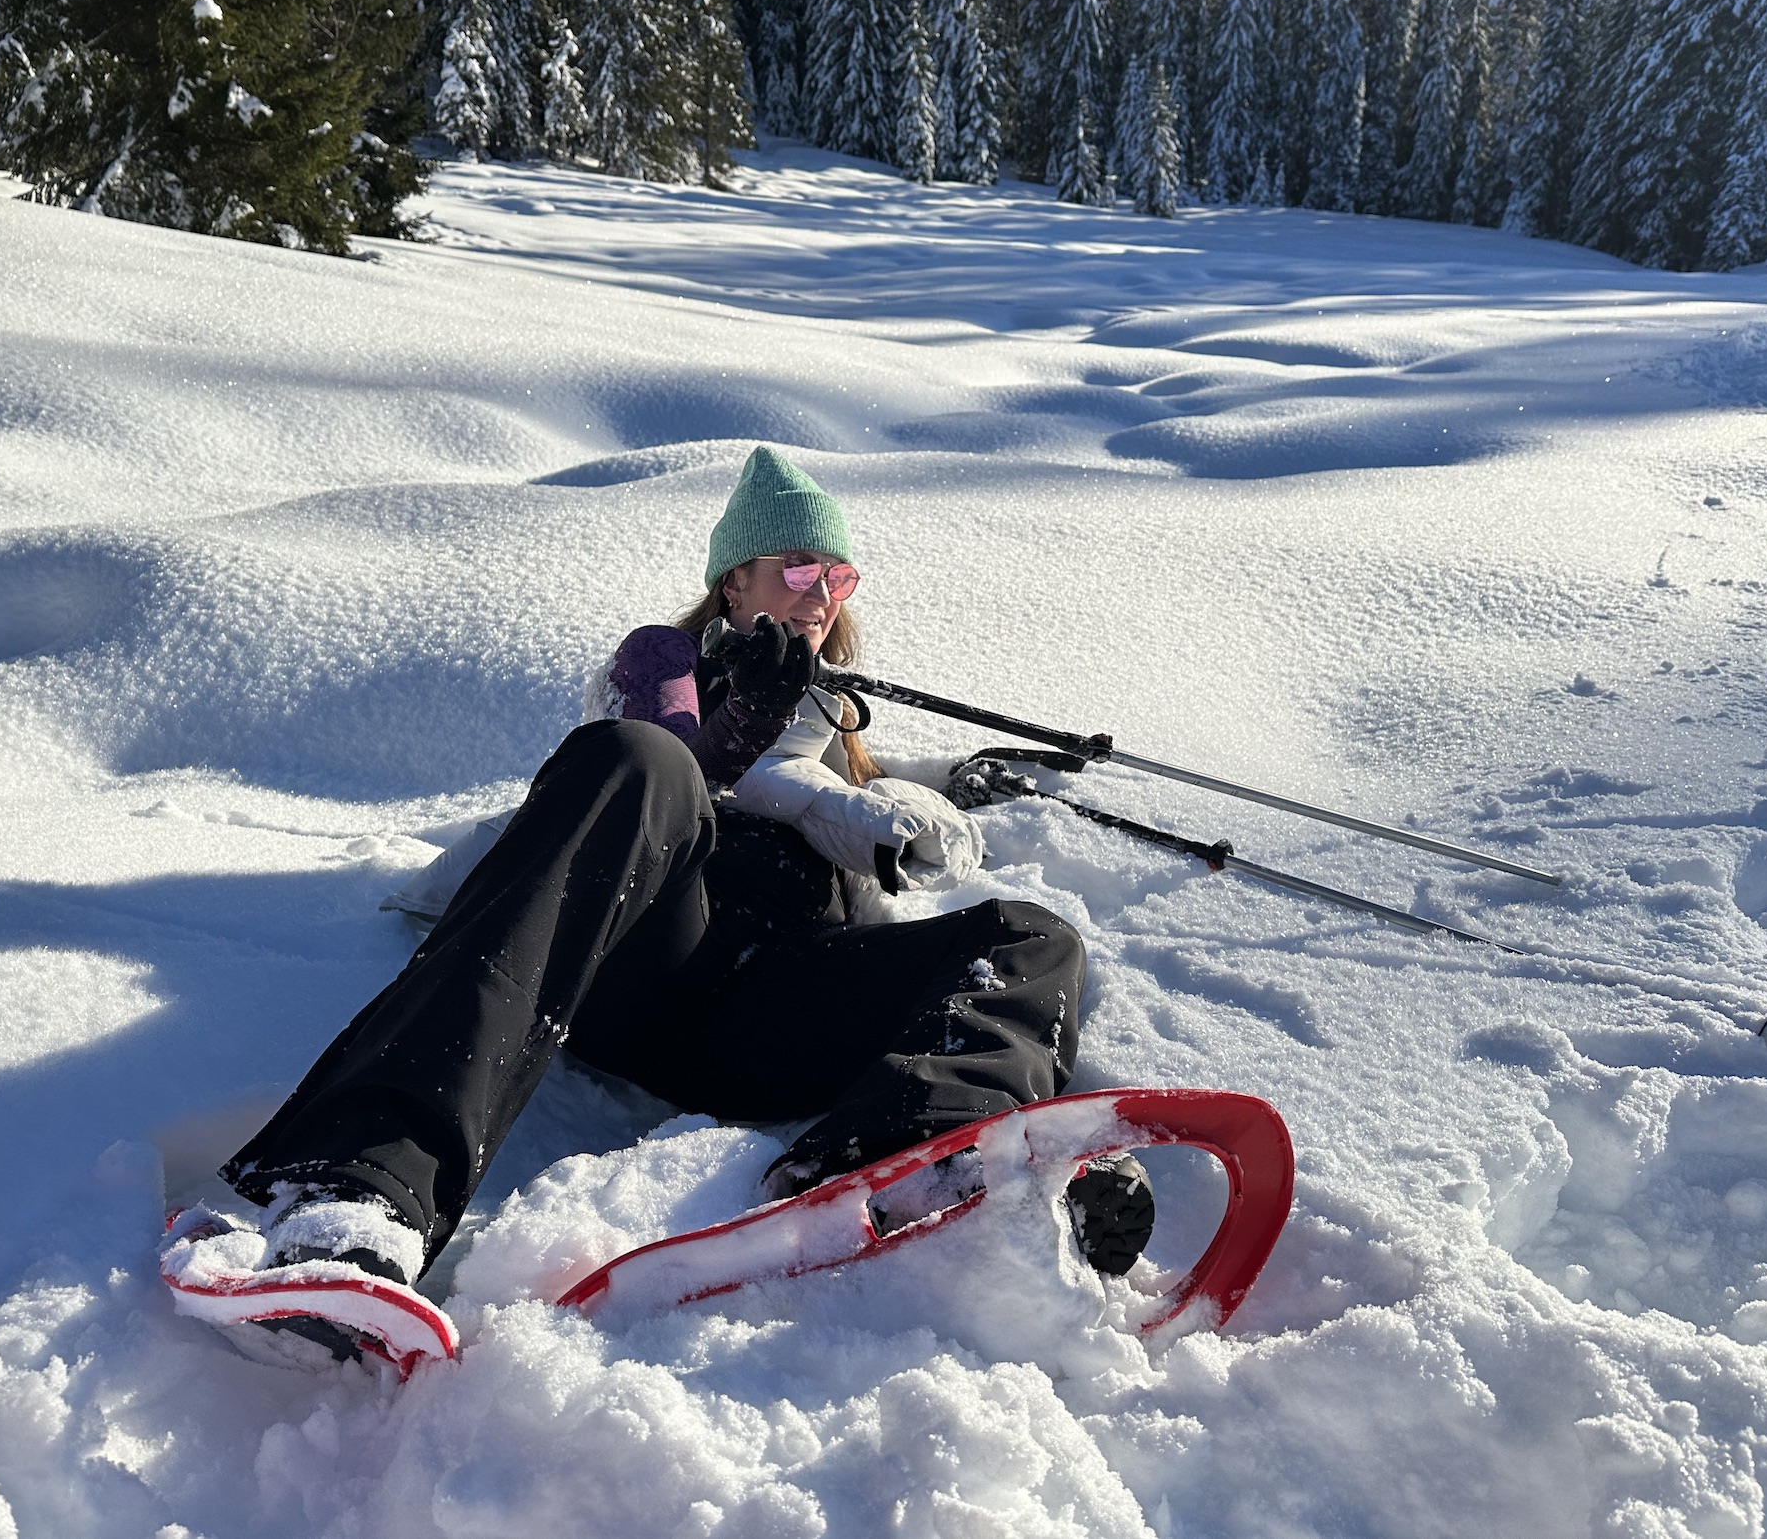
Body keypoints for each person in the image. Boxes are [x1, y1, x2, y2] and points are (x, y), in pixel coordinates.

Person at [217, 447, 1149, 1337]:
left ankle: (921, 1164)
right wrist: (745, 720)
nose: (820, 592)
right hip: (641, 964)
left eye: (839, 576)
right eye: (796, 567)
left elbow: (857, 783)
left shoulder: (827, 703)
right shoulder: (663, 656)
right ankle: (361, 1191)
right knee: (639, 763)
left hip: (767, 1006)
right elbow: (658, 751)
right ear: (734, 579)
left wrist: (956, 772)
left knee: (1028, 937)